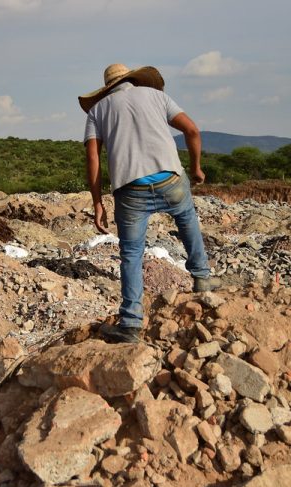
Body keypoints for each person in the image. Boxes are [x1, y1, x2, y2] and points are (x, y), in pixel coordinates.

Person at [79, 63, 219, 344]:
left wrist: (98, 203)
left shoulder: (97, 111)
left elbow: (93, 160)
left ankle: (130, 323)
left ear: (107, 88)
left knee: (131, 253)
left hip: (130, 190)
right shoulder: (157, 97)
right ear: (132, 79)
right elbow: (192, 131)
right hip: (170, 178)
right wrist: (196, 168)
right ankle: (202, 279)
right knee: (187, 219)